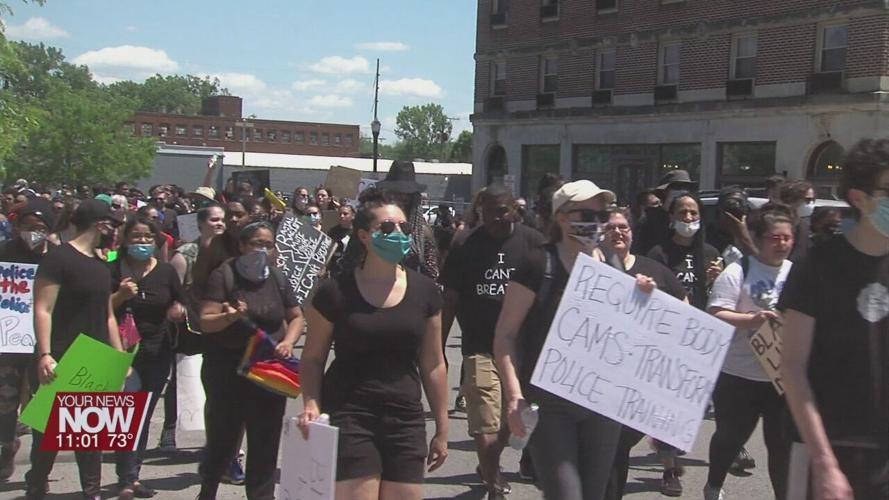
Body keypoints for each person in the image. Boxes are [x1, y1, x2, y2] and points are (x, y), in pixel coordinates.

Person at [495, 180, 646, 500]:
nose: (596, 221)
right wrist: (513, 396)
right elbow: (505, 335)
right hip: (551, 403)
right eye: (586, 213)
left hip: (602, 401)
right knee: (566, 493)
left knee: (594, 494)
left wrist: (642, 297)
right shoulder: (539, 264)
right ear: (562, 216)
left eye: (602, 214)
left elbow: (626, 331)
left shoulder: (612, 262)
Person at [299, 192, 449, 500]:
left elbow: (434, 363)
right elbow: (313, 357)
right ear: (364, 236)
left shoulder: (426, 292)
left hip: (405, 417)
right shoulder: (335, 292)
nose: (398, 235)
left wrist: (443, 429)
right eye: (387, 228)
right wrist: (311, 403)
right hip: (350, 413)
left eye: (404, 228)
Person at [779, 138, 889, 499]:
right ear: (860, 198)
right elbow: (792, 368)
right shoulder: (817, 267)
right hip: (833, 451)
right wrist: (825, 463)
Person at [441, 184, 544, 499]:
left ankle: (489, 463)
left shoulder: (533, 242)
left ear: (514, 208)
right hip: (480, 347)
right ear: (479, 212)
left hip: (524, 349)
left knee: (511, 421)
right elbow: (451, 299)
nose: (496, 218)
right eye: (488, 212)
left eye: (502, 210)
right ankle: (492, 480)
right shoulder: (465, 244)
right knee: (486, 423)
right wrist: (439, 348)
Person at [198, 221, 305, 500]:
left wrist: (288, 341)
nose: (262, 250)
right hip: (227, 370)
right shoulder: (224, 276)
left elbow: (296, 317)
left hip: (268, 370)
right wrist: (229, 317)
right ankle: (207, 490)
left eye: (268, 245)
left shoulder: (278, 278)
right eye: (257, 243)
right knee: (223, 438)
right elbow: (206, 321)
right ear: (243, 246)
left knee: (265, 441)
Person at [26, 199, 125, 500]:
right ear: (99, 224)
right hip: (60, 354)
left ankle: (91, 491)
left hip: (93, 357)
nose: (113, 231)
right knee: (48, 435)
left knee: (91, 434)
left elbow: (108, 314)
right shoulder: (59, 259)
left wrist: (119, 359)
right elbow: (43, 308)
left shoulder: (101, 265)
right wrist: (45, 353)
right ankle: (36, 486)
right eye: (111, 224)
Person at [702, 204, 795, 500]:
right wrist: (752, 320)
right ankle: (713, 486)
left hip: (780, 378)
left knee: (781, 445)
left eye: (786, 238)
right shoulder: (737, 271)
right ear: (757, 238)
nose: (781, 244)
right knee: (731, 437)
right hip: (737, 375)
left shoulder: (797, 273)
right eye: (774, 238)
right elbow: (716, 313)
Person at [597, 207, 689, 499]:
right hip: (597, 378)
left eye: (623, 227)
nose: (618, 232)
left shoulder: (654, 270)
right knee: (603, 451)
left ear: (632, 233)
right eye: (611, 227)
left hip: (638, 381)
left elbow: (684, 311)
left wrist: (654, 301)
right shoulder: (590, 270)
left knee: (619, 444)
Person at [110, 217, 186, 499]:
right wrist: (118, 296)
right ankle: (125, 477)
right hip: (120, 353)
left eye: (147, 238)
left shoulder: (165, 272)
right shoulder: (113, 269)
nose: (142, 242)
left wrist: (178, 310)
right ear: (125, 240)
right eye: (136, 237)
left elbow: (181, 301)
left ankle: (132, 475)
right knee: (125, 414)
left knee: (141, 415)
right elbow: (95, 308)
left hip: (157, 352)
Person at [0, 199, 56, 481]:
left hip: (44, 347)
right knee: (5, 403)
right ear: (17, 227)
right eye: (27, 227)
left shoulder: (57, 258)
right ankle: (6, 447)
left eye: (40, 228)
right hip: (7, 344)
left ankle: (39, 470)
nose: (33, 233)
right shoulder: (3, 253)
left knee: (40, 409)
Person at [647, 192, 721, 310]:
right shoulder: (658, 254)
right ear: (671, 216)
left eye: (693, 213)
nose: (688, 218)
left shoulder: (711, 253)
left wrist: (717, 280)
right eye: (682, 212)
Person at [374, 160, 440, 281]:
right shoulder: (372, 226)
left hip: (410, 291)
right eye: (397, 194)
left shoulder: (423, 232)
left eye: (407, 195)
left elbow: (432, 274)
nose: (402, 199)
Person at [632, 169, 697, 256]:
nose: (682, 190)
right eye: (677, 187)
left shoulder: (693, 217)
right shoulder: (649, 219)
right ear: (664, 193)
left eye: (686, 187)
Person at [778, 180, 816, 262]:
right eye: (807, 200)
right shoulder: (774, 222)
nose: (810, 204)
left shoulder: (803, 224)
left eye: (813, 200)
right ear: (791, 199)